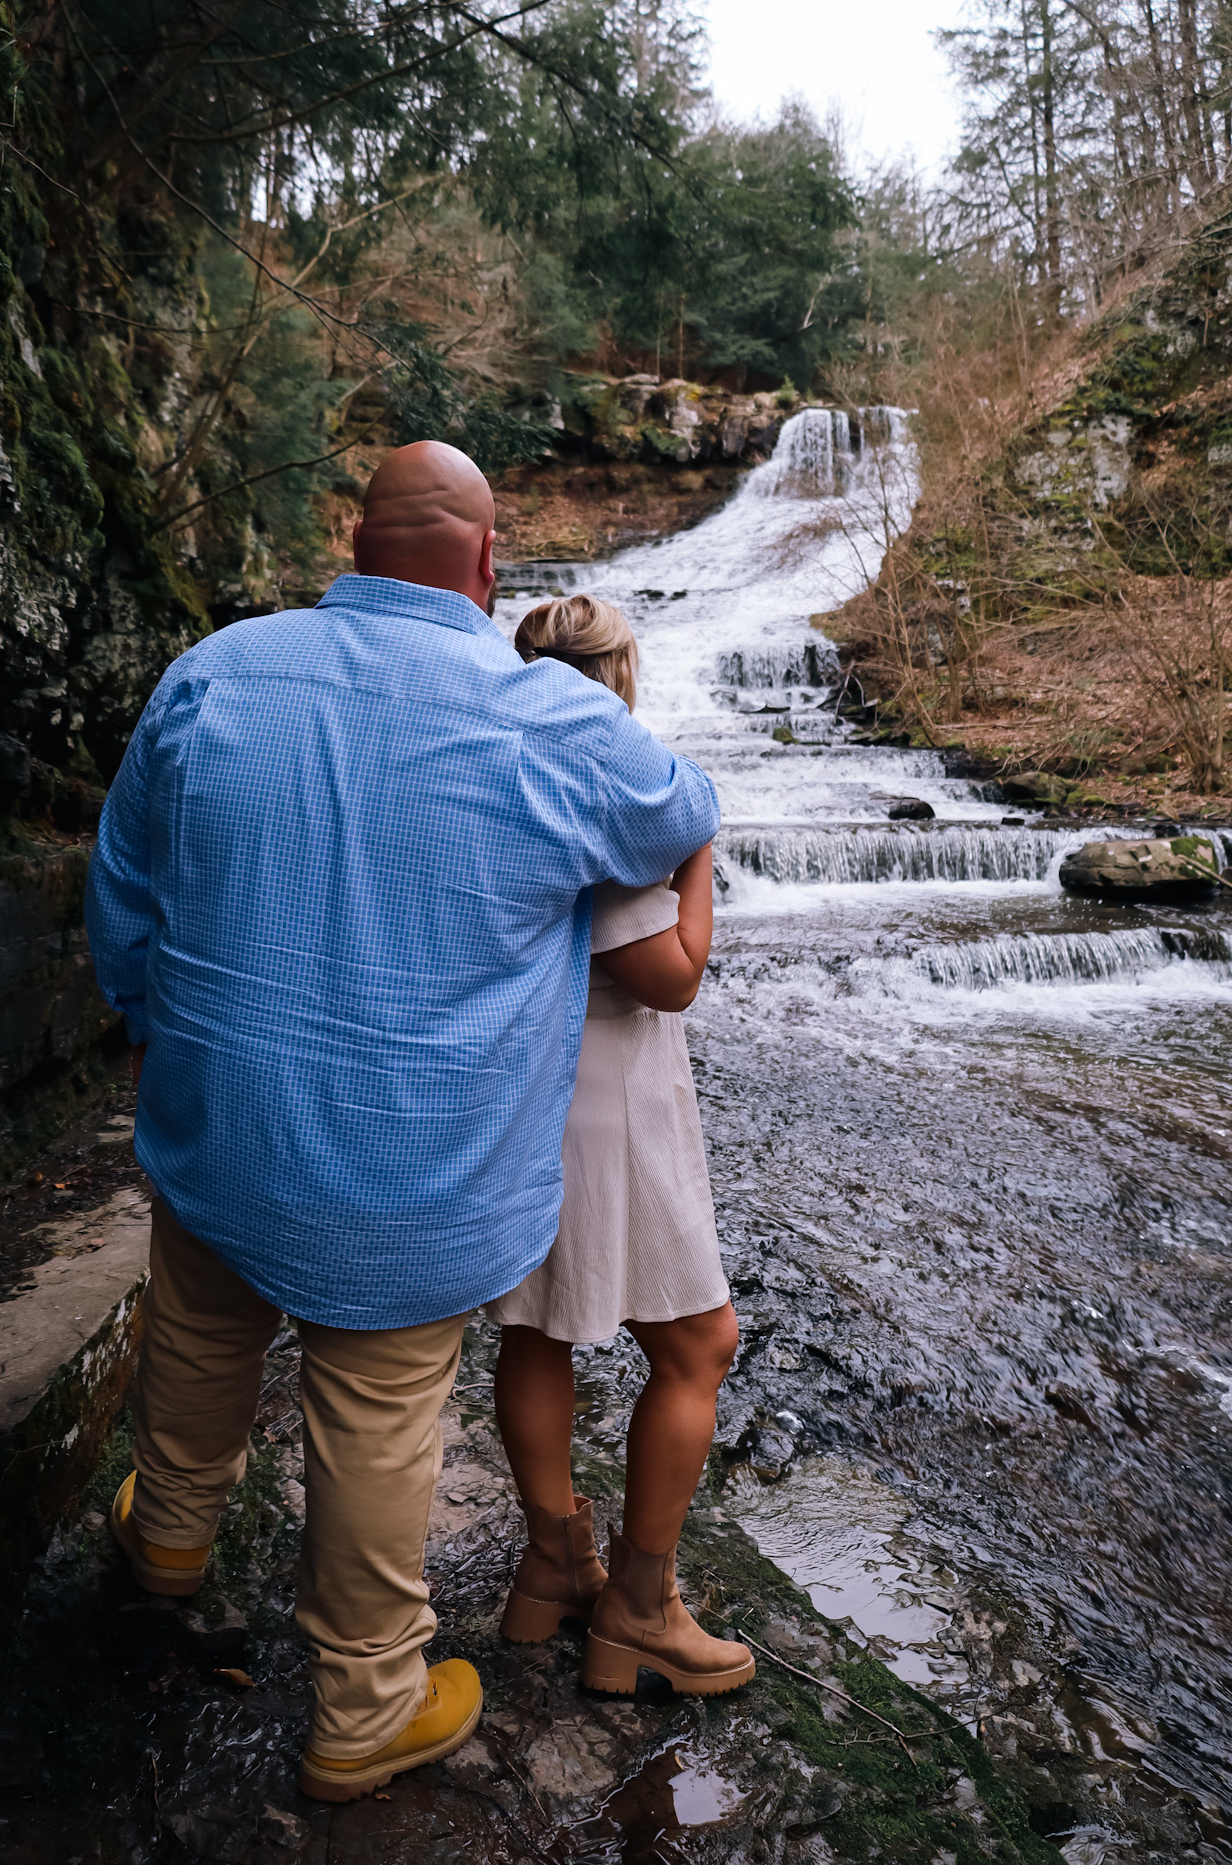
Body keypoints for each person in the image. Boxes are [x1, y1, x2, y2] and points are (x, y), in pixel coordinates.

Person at [84, 444, 718, 1803]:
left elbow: (124, 882)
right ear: (489, 567)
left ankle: (170, 1553)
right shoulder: (543, 715)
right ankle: (366, 1704)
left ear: (354, 543)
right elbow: (679, 809)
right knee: (374, 1420)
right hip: (414, 1164)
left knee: (198, 1342)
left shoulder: (214, 672)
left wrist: (148, 1018)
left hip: (221, 1120)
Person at [487, 596, 754, 1696]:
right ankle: (641, 1607)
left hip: (519, 1096)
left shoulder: (494, 774)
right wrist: (697, 849)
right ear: (619, 676)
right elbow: (672, 976)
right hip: (610, 1103)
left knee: (539, 1331)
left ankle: (551, 1571)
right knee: (698, 1345)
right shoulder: (609, 796)